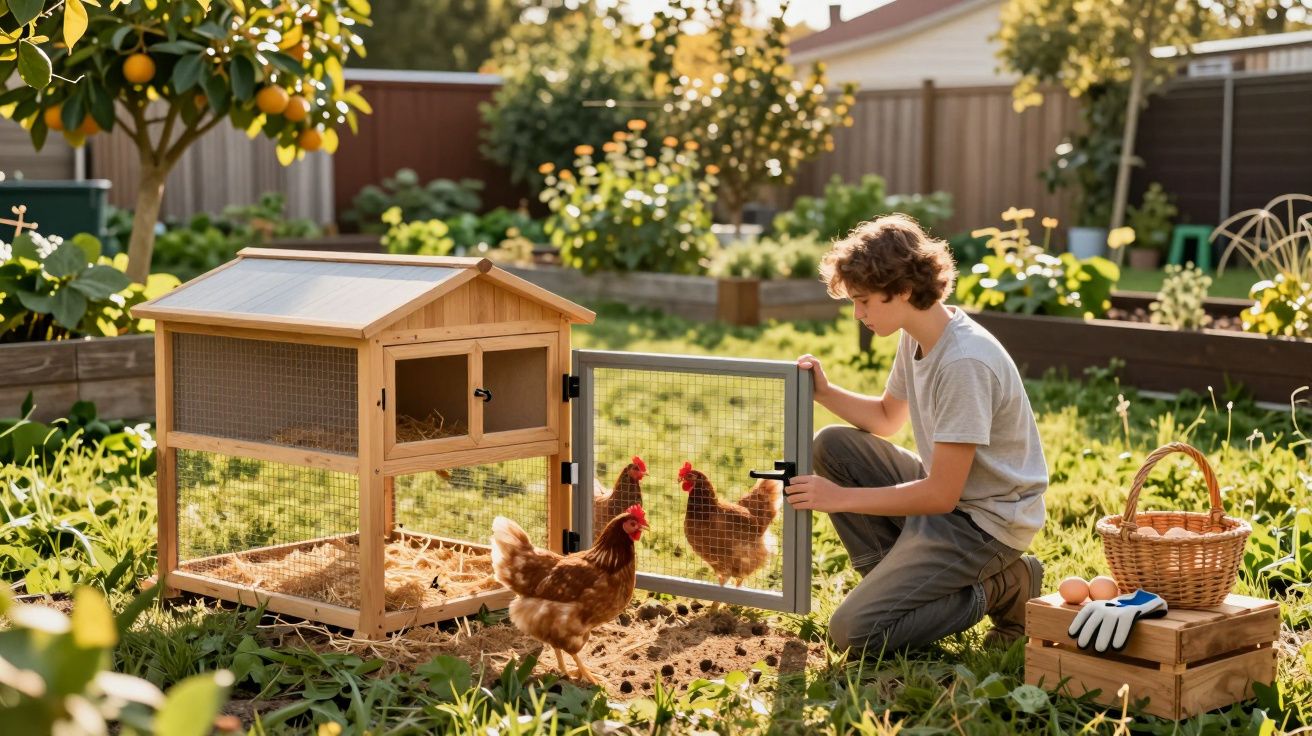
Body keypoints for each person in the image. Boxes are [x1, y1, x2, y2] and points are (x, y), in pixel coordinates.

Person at [787, 214, 1048, 654]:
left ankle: (1006, 584)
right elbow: (888, 417)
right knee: (834, 446)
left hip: (984, 524)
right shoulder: (917, 335)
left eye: (864, 301)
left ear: (903, 290)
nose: (858, 313)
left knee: (854, 634)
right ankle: (902, 583)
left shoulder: (964, 362)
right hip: (948, 502)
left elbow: (940, 495)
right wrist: (825, 392)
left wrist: (838, 498)